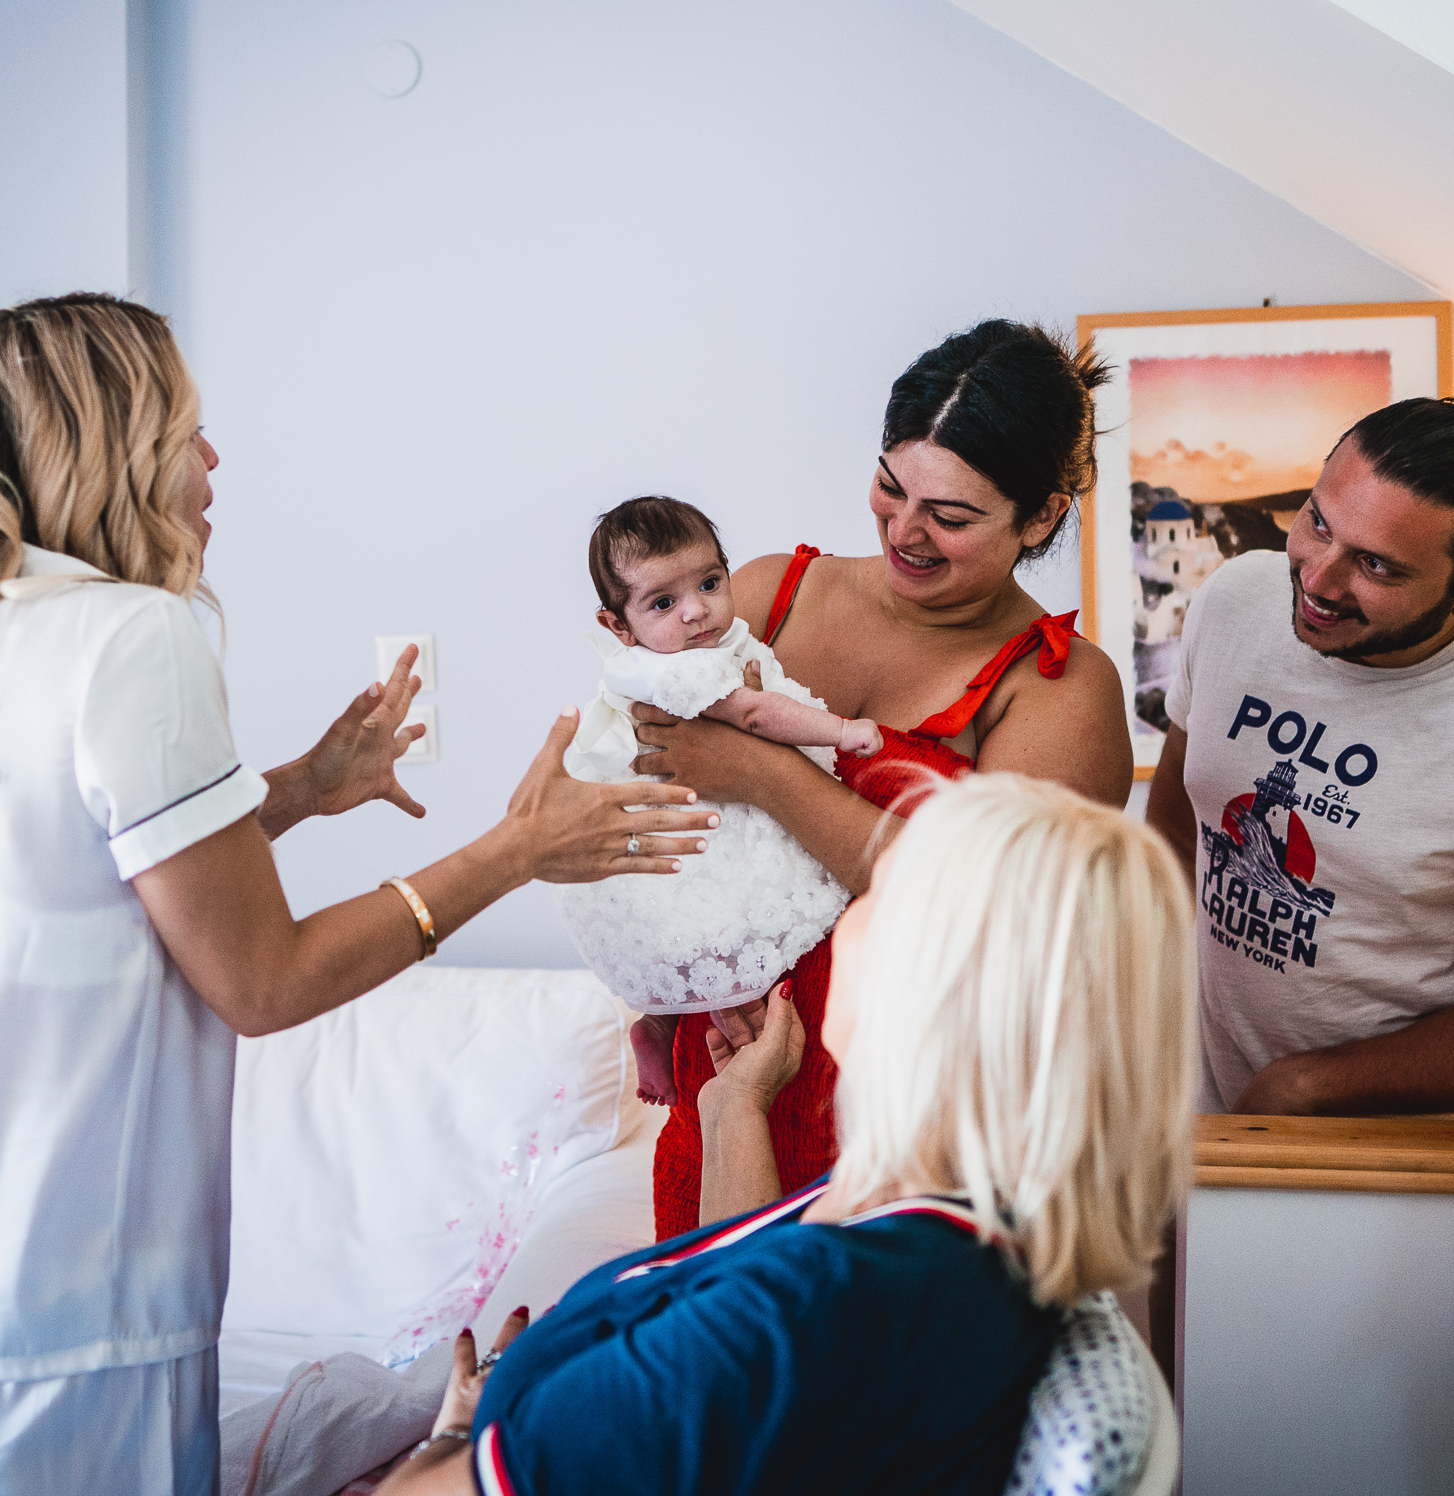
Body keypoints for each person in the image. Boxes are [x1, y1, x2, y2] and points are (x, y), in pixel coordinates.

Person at [0, 294, 716, 1496]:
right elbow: (264, 981)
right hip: (58, 1332)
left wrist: (295, 790)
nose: (212, 459)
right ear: (105, 444)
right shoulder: (133, 633)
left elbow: (75, 875)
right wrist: (514, 847)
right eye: (186, 427)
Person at [372, 773, 1197, 1496]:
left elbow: (764, 1338)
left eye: (880, 895)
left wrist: (454, 1436)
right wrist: (737, 1104)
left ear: (938, 996)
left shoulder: (816, 1315)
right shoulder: (941, 1235)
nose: (846, 912)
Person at [626, 318, 1136, 1238]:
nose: (906, 531)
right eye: (891, 487)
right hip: (730, 1078)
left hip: (913, 1127)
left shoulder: (1059, 687)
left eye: (951, 515)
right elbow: (652, 777)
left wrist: (763, 772)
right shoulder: (772, 592)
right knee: (716, 1362)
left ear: (1043, 515)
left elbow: (976, 910)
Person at [1144, 396, 1454, 1117]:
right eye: (1317, 521)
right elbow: (1177, 833)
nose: (1317, 579)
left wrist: (1303, 1084)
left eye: (1374, 564)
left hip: (1398, 1172)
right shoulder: (1236, 599)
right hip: (1207, 1113)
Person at [557, 495, 878, 1104]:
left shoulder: (694, 650)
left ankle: (658, 1023)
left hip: (684, 818)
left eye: (709, 582)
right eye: (663, 603)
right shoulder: (680, 672)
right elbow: (756, 716)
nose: (697, 611)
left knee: (688, 935)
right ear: (617, 626)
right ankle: (726, 1019)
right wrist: (841, 731)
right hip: (696, 822)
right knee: (731, 921)